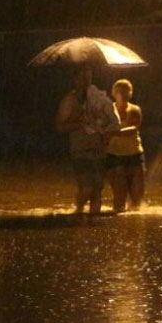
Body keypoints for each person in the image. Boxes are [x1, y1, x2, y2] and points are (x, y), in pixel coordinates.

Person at [55, 64, 119, 215]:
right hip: (81, 150)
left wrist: (106, 132)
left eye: (89, 78)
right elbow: (59, 126)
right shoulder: (69, 101)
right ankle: (77, 212)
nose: (87, 81)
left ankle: (93, 221)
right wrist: (79, 122)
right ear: (75, 79)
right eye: (83, 78)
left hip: (99, 148)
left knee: (98, 188)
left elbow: (109, 123)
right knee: (87, 186)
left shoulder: (97, 99)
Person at [106, 78, 145, 213]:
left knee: (136, 198)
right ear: (113, 93)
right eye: (118, 92)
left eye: (125, 92)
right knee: (119, 197)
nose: (122, 94)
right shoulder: (108, 110)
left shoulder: (134, 110)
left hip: (134, 154)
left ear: (130, 94)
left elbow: (134, 128)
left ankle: (133, 228)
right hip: (115, 155)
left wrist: (115, 132)